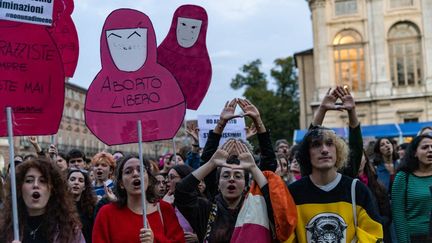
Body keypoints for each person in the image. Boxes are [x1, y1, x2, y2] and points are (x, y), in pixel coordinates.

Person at [175, 139, 291, 242]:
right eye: (225, 176)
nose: (231, 179)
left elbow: (277, 206)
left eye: (238, 176)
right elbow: (182, 191)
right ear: (218, 184)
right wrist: (211, 164)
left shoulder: (258, 209)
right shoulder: (206, 209)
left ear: (246, 184)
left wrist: (253, 168)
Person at [287, 127, 383, 242]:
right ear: (307, 153)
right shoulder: (293, 193)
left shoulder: (357, 190)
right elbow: (286, 237)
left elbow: (374, 235)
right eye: (316, 144)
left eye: (329, 143)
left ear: (338, 150)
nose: (324, 150)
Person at [92, 155, 185, 243]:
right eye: (128, 172)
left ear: (149, 180)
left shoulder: (165, 209)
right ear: (121, 183)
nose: (136, 174)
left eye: (141, 170)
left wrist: (155, 240)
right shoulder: (106, 214)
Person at [0, 158, 84, 243]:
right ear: (19, 188)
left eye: (43, 181)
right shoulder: (5, 228)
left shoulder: (70, 230)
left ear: (52, 189)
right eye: (29, 180)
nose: (36, 185)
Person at [392, 134, 432, 242]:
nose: (430, 150)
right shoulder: (403, 177)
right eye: (425, 147)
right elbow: (398, 215)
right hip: (416, 238)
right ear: (415, 153)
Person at [68, 167, 97, 243]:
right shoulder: (58, 207)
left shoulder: (91, 209)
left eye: (80, 180)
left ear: (84, 187)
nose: (76, 182)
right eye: (72, 179)